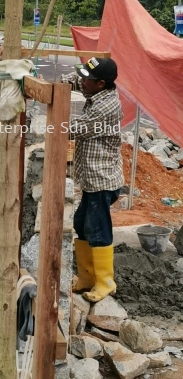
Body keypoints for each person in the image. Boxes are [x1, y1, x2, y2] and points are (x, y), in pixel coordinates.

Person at [61, 57, 124, 303]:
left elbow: (74, 129)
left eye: (87, 79)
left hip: (102, 179)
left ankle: (105, 282)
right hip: (91, 178)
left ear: (101, 84)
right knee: (80, 223)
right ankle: (87, 278)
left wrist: (52, 125)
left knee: (97, 229)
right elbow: (75, 81)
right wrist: (58, 83)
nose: (82, 82)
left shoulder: (106, 108)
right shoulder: (96, 90)